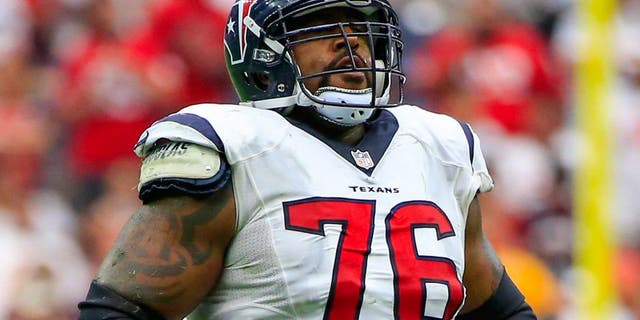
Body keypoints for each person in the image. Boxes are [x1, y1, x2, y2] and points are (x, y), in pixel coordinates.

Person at [77, 0, 536, 319]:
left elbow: (498, 309)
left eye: (360, 29)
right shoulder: (234, 145)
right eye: (323, 27)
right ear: (263, 55)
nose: (351, 43)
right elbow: (121, 310)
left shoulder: (438, 146)